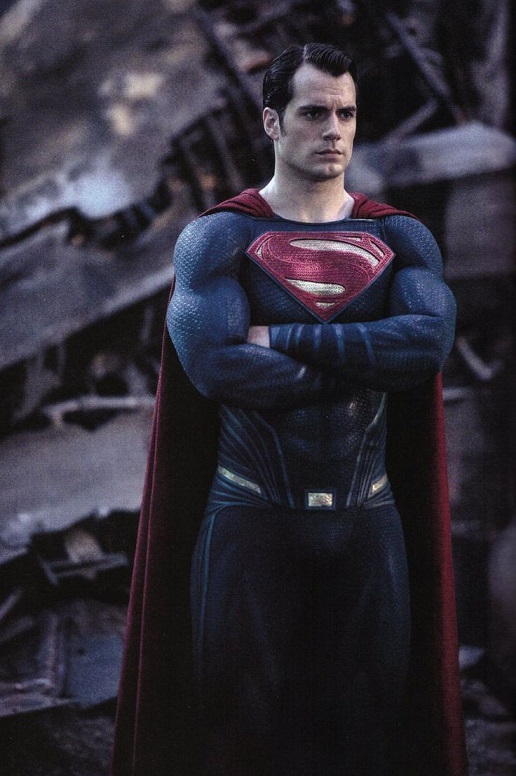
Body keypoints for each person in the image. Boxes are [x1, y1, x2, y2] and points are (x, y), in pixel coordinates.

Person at [111, 43, 467, 776]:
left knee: (369, 741)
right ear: (273, 121)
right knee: (239, 742)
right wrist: (365, 356)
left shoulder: (399, 238)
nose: (333, 130)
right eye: (313, 113)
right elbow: (218, 369)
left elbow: (425, 349)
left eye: (346, 114)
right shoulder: (222, 237)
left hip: (368, 520)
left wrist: (285, 338)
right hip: (251, 519)